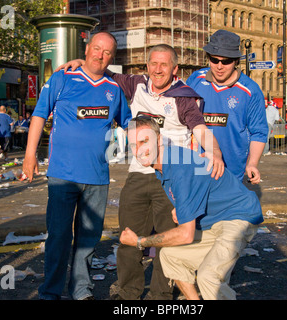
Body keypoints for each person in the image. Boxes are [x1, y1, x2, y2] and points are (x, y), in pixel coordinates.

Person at [57, 43, 224, 300]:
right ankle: (128, 295)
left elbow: (201, 129)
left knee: (168, 243)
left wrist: (214, 152)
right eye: (153, 64)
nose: (158, 70)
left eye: (164, 64)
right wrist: (82, 60)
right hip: (137, 175)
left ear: (174, 68)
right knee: (127, 239)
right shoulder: (136, 84)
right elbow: (103, 71)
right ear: (147, 66)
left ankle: (160, 296)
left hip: (169, 178)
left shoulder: (183, 97)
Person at [23, 31, 131, 300]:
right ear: (86, 49)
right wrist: (29, 155)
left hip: (97, 178)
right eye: (96, 48)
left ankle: (81, 291)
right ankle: (51, 292)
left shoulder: (115, 88)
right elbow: (38, 115)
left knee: (88, 240)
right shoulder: (62, 78)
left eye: (107, 52)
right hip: (63, 176)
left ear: (112, 57)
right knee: (58, 237)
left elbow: (130, 122)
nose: (100, 55)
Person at [120, 117, 263, 300]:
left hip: (238, 217)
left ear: (158, 139)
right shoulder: (162, 166)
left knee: (209, 276)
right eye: (133, 145)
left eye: (144, 141)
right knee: (170, 256)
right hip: (214, 221)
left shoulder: (179, 166)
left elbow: (186, 234)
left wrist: (140, 241)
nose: (139, 150)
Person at [186, 30, 268, 183]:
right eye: (214, 60)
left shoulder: (250, 91)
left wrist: (252, 164)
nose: (219, 66)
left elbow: (259, 132)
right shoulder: (196, 80)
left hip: (231, 171)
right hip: (196, 167)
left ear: (236, 61)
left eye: (226, 61)